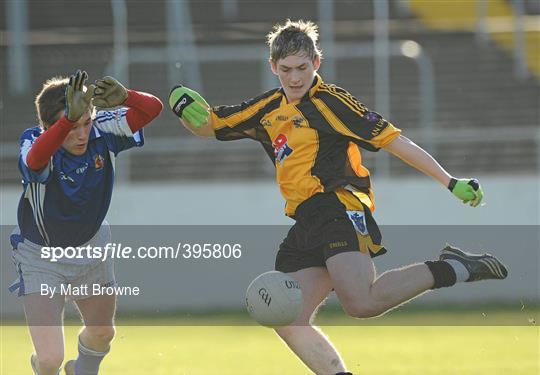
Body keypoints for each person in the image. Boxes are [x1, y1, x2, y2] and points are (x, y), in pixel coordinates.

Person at [168, 20, 508, 375]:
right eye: (286, 70)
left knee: (361, 303)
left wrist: (449, 180)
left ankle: (453, 267)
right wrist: (181, 106)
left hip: (338, 207)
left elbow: (393, 140)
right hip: (305, 220)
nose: (295, 78)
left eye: (302, 67)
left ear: (317, 62)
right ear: (273, 67)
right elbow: (211, 125)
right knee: (288, 319)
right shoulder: (267, 107)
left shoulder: (331, 101)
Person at [9, 70, 163, 375]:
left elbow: (153, 109)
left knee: (103, 334)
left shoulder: (102, 131)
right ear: (48, 126)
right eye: (71, 127)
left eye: (86, 123)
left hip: (91, 247)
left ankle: (82, 370)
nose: (81, 134)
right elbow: (34, 161)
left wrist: (127, 97)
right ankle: (42, 366)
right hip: (41, 256)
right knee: (50, 359)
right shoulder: (34, 140)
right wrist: (67, 120)